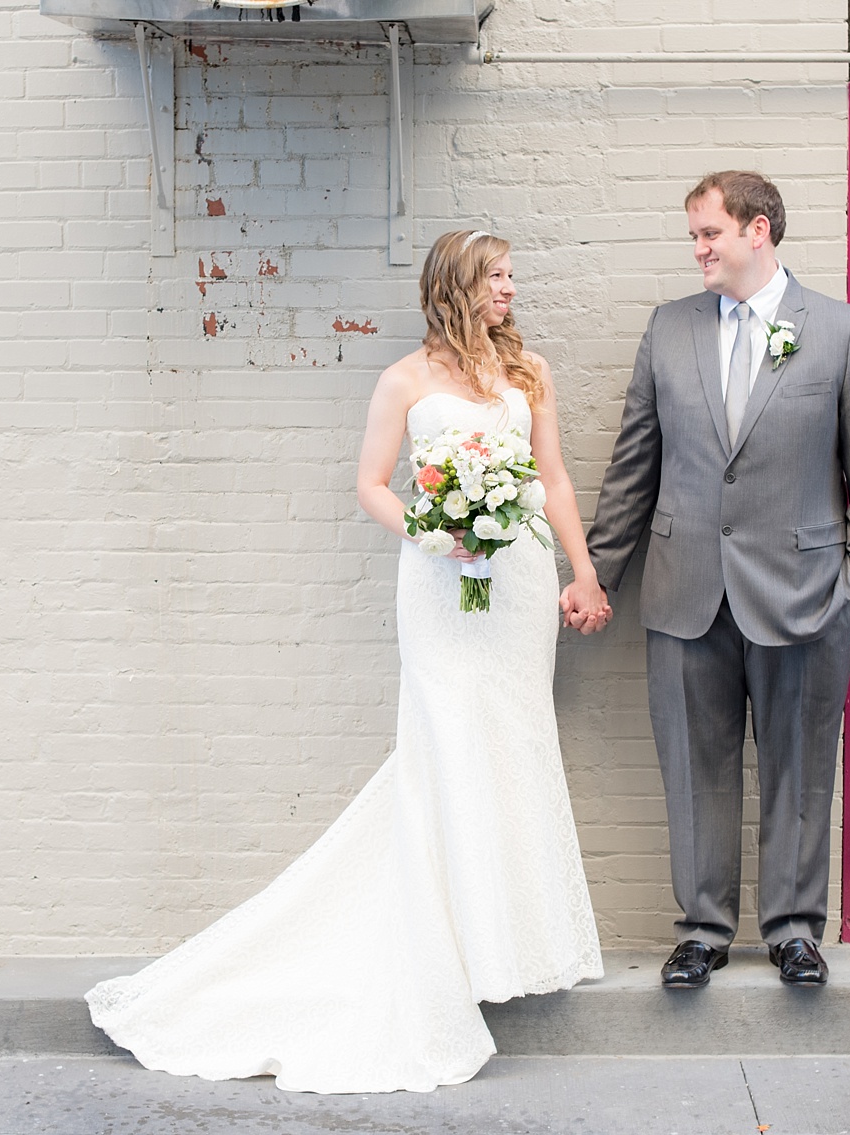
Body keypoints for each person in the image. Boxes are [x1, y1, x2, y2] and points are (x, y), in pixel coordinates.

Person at [87, 229, 605, 1094]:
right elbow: (372, 483)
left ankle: (505, 940)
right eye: (498, 277)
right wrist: (433, 532)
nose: (511, 289)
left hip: (513, 582)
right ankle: (441, 944)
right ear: (458, 286)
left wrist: (580, 570)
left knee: (513, 739)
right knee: (442, 742)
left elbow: (551, 478)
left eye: (512, 276)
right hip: (440, 583)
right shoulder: (403, 379)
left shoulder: (530, 373)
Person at [563, 170, 850, 988]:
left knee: (800, 764)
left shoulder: (839, 330)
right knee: (694, 767)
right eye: (694, 236)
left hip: (806, 596)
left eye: (709, 233)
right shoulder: (669, 329)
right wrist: (596, 573)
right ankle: (703, 931)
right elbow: (633, 465)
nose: (699, 249)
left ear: (759, 231)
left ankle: (792, 929)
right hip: (685, 592)